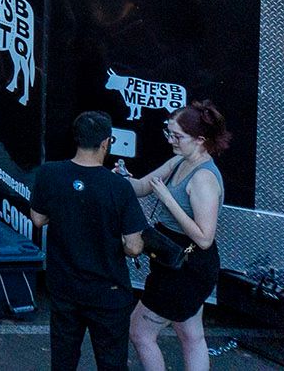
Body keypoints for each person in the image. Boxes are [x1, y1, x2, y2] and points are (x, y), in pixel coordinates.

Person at [28, 111, 146, 371]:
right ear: (106, 143)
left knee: (63, 359)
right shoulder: (119, 187)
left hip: (64, 287)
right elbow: (135, 246)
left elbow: (37, 219)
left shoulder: (50, 174)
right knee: (112, 362)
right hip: (108, 293)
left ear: (77, 138)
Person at [125, 102, 228, 371]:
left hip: (187, 267)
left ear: (200, 140)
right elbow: (142, 186)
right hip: (172, 260)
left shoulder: (204, 178)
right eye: (169, 133)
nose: (171, 140)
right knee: (191, 336)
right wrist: (121, 178)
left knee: (140, 333)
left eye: (178, 136)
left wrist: (169, 200)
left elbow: (205, 238)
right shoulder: (179, 161)